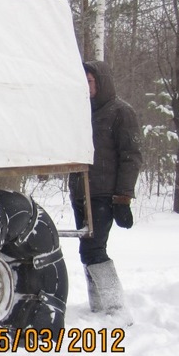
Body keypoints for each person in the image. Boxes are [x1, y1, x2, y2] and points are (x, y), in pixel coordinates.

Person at [69, 60, 142, 323]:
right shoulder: (81, 112)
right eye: (83, 81)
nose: (86, 86)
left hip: (104, 194)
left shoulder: (121, 112)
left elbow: (131, 156)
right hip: (81, 192)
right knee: (86, 251)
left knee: (94, 249)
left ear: (101, 81)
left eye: (90, 81)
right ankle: (99, 308)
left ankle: (116, 309)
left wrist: (123, 198)